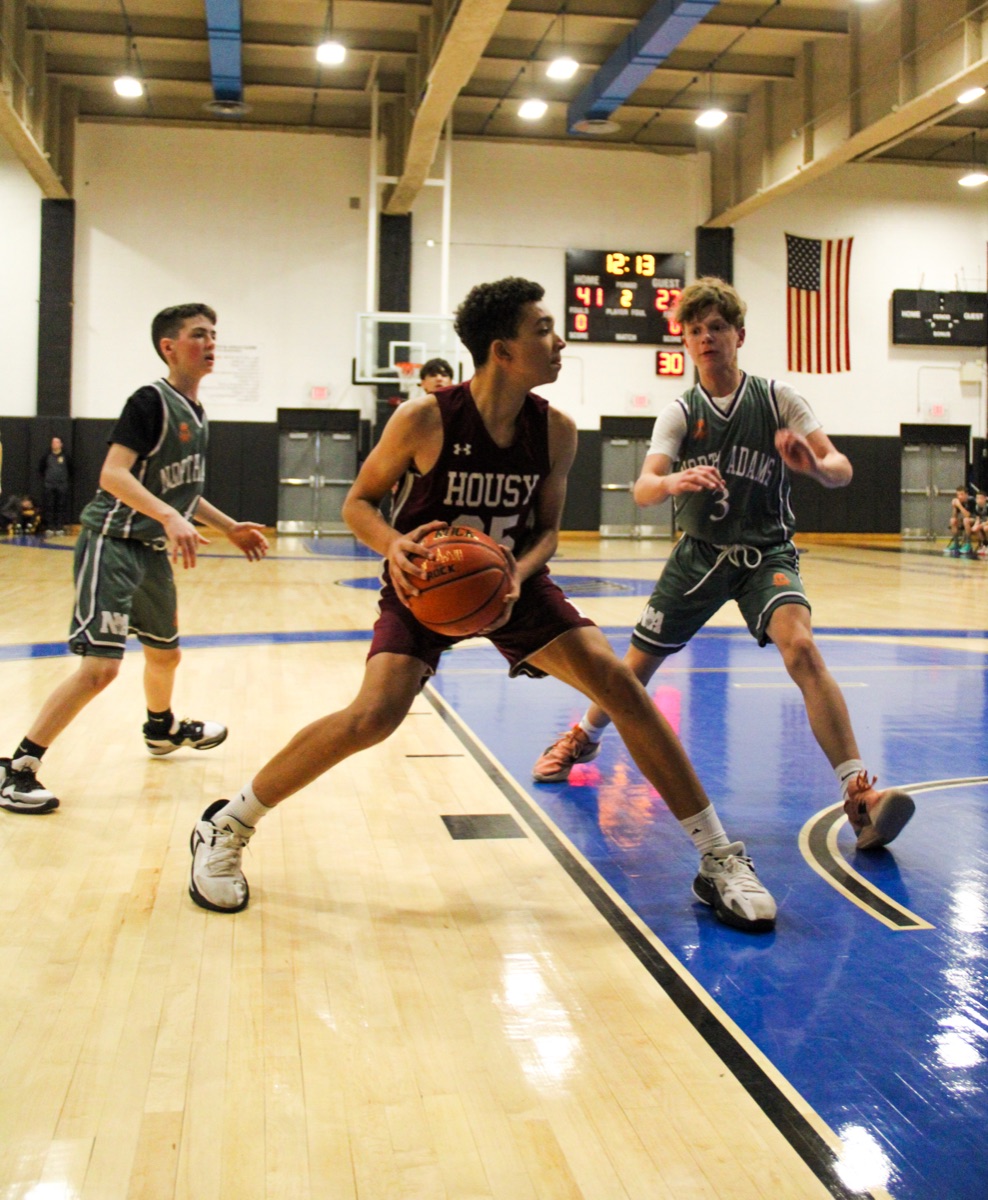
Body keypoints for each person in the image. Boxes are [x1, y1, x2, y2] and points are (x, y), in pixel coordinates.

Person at [188, 277, 776, 933]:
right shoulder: (425, 417)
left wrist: (516, 574)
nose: (559, 342)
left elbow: (548, 530)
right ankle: (226, 824)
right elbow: (358, 504)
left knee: (620, 685)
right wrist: (393, 546)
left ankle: (718, 857)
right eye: (544, 330)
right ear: (503, 350)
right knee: (373, 717)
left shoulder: (555, 430)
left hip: (509, 582)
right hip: (426, 581)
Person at [532, 276, 915, 855]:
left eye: (716, 327)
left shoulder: (779, 398)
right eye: (695, 330)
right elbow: (641, 488)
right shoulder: (681, 412)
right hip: (700, 555)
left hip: (766, 554)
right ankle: (583, 737)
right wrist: (671, 480)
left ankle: (858, 795)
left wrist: (812, 463)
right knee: (632, 671)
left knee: (803, 648)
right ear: (683, 341)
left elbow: (842, 468)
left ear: (738, 335)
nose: (706, 337)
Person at [0, 303, 269, 815]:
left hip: (147, 550)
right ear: (169, 346)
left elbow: (185, 490)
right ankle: (19, 767)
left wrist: (228, 526)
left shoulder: (197, 412)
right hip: (113, 542)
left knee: (166, 654)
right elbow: (113, 475)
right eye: (198, 334)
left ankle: (161, 729)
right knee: (101, 668)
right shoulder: (150, 401)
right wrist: (169, 516)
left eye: (214, 334)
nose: (210, 343)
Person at [39, 435, 71, 535]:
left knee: (61, 506)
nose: (54, 444)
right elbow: (41, 469)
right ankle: (50, 527)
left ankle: (59, 527)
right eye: (53, 442)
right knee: (49, 506)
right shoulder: (47, 456)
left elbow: (71, 470)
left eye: (57, 442)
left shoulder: (66, 456)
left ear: (61, 444)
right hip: (49, 485)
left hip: (62, 485)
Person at [945, 485, 974, 556]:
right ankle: (956, 543)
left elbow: (968, 515)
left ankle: (968, 544)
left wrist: (959, 505)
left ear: (966, 494)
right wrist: (954, 507)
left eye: (961, 494)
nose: (959, 496)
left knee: (966, 520)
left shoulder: (971, 500)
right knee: (952, 520)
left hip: (976, 520)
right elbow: (954, 516)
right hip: (965, 520)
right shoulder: (959, 502)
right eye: (958, 495)